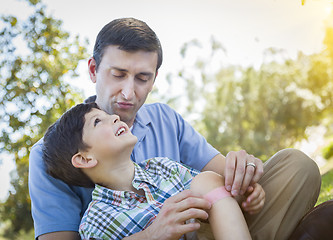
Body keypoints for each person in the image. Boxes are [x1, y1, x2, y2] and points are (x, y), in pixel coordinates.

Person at [28, 17, 321, 240]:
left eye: (142, 78)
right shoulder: (50, 154)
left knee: (297, 166)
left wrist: (244, 177)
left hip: (212, 228)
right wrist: (152, 234)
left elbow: (221, 180)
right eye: (118, 75)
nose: (128, 93)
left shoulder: (166, 120)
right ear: (93, 69)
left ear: (154, 78)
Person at [42, 102, 264, 239]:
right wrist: (151, 235)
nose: (115, 117)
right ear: (84, 158)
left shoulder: (163, 167)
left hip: (215, 230)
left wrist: (243, 193)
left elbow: (216, 197)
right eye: (98, 121)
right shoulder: (95, 220)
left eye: (110, 116)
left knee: (288, 161)